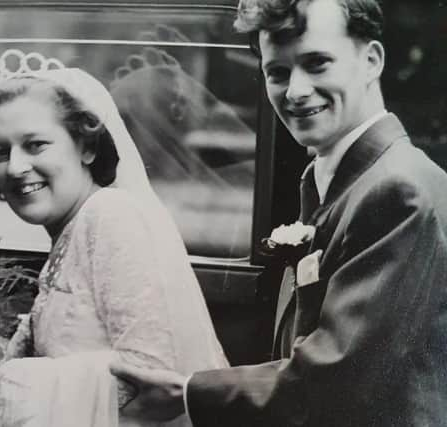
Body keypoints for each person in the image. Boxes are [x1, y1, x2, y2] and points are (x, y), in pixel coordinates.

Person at [109, 0, 447, 426]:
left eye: (317, 63)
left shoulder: (397, 190)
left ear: (371, 60)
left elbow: (338, 376)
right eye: (278, 72)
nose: (296, 91)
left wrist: (188, 394)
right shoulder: (340, 178)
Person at [0, 50, 228, 427]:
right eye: (0, 152)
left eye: (36, 145)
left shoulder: (111, 216)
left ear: (87, 146)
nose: (16, 167)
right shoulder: (68, 236)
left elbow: (155, 382)